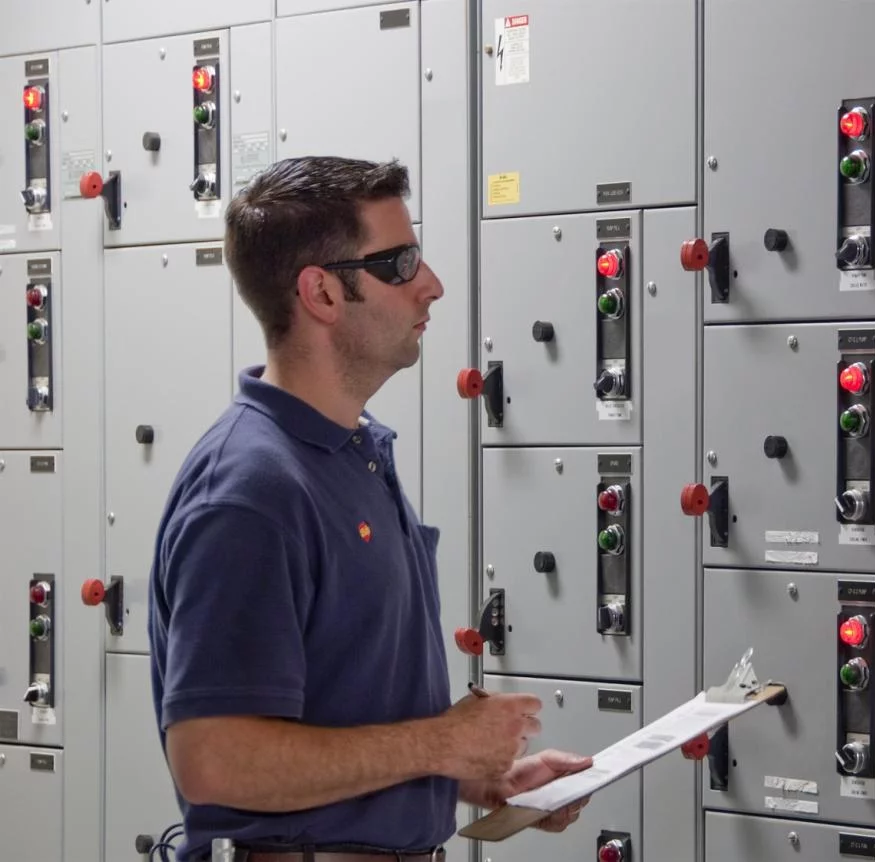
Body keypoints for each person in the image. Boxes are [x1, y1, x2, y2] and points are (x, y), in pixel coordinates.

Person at [147, 155, 591, 862]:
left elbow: (343, 707)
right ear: (322, 293)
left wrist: (473, 777)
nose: (431, 284)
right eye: (400, 262)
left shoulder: (352, 454)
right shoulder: (251, 492)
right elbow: (215, 761)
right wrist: (441, 742)